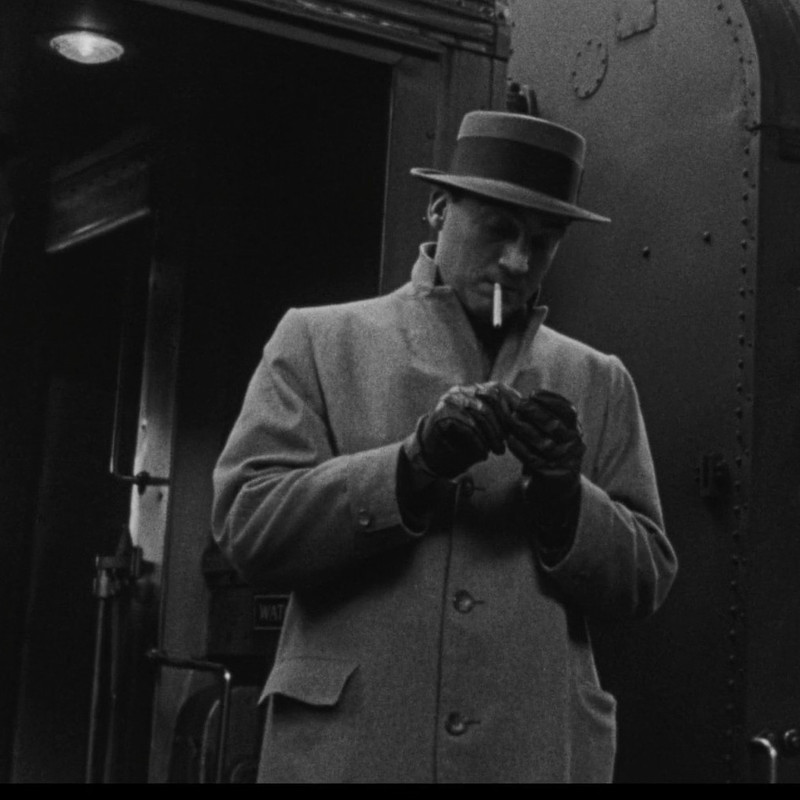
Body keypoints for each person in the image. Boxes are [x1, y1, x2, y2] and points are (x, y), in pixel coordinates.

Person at [211, 110, 678, 783]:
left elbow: (646, 580)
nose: (517, 262)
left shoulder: (598, 379)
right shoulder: (317, 341)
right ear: (438, 209)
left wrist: (565, 498)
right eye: (498, 230)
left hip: (530, 757)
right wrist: (408, 468)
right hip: (357, 756)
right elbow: (247, 527)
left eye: (542, 242)